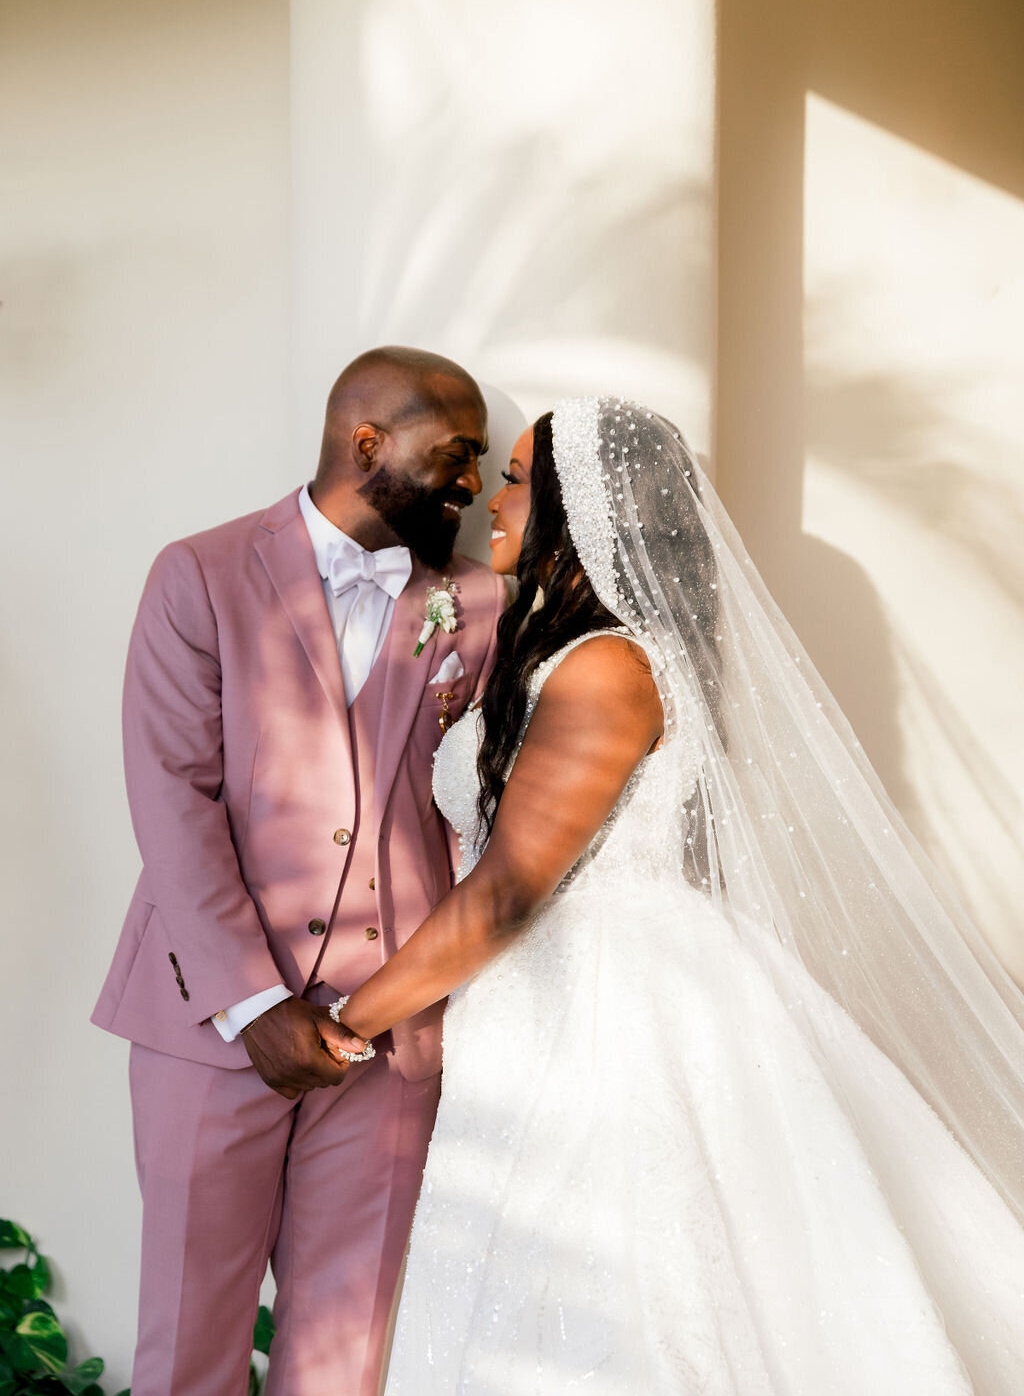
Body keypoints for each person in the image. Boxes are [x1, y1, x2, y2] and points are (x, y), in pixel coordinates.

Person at [327, 397, 1024, 1395]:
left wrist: (351, 1023)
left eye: (521, 481)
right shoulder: (571, 654)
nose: (494, 503)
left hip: (609, 1011)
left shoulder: (605, 670)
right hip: (541, 1005)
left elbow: (511, 891)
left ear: (589, 511)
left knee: (626, 1280)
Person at [92, 347, 506, 1396]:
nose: (470, 483)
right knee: (192, 1342)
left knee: (343, 1349)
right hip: (207, 1022)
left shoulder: (477, 605)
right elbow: (172, 802)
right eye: (456, 456)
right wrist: (252, 1002)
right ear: (366, 443)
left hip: (392, 1034)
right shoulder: (200, 571)